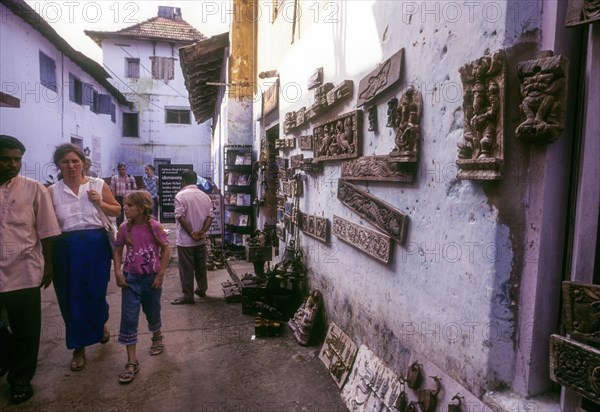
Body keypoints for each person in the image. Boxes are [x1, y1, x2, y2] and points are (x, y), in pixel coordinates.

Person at [48, 143, 121, 372]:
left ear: (83, 163)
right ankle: (78, 347)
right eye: (65, 162)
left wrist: (100, 201)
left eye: (75, 161)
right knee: (71, 297)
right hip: (65, 247)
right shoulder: (51, 191)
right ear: (58, 165)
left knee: (95, 293)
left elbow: (117, 210)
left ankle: (100, 323)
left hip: (95, 245)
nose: (70, 166)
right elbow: (47, 226)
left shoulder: (97, 184)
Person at [0, 135, 61, 404]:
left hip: (24, 270)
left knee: (26, 329)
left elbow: (48, 232)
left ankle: (21, 379)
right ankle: (5, 357)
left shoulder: (34, 189)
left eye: (17, 160)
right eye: (6, 159)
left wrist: (49, 267)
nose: (13, 165)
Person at [113, 191, 170, 384]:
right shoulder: (123, 228)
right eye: (124, 205)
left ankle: (157, 335)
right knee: (129, 317)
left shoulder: (155, 226)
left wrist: (161, 274)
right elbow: (118, 250)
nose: (125, 208)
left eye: (129, 205)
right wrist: (118, 272)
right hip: (131, 279)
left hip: (151, 279)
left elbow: (166, 248)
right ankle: (131, 361)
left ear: (142, 208)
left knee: (152, 311)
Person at [172, 170, 214, 305]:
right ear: (196, 180)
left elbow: (180, 216)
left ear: (183, 181)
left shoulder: (180, 196)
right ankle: (202, 289)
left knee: (186, 269)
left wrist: (191, 233)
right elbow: (210, 216)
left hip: (185, 241)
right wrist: (202, 231)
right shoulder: (205, 196)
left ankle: (188, 296)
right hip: (200, 239)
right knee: (200, 266)